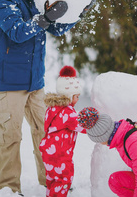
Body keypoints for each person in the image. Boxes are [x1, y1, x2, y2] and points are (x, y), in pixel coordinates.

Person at [0, 0, 95, 196]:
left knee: (47, 132)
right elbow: (17, 32)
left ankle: (51, 180)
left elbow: (53, 28)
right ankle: (7, 188)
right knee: (10, 137)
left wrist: (79, 12)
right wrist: (46, 18)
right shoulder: (3, 0)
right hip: (8, 82)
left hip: (34, 81)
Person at [39, 66, 86, 197]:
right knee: (64, 180)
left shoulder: (52, 108)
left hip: (48, 152)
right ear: (69, 96)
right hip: (61, 155)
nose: (77, 99)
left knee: (52, 179)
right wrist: (96, 123)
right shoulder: (68, 113)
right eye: (76, 96)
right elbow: (83, 126)